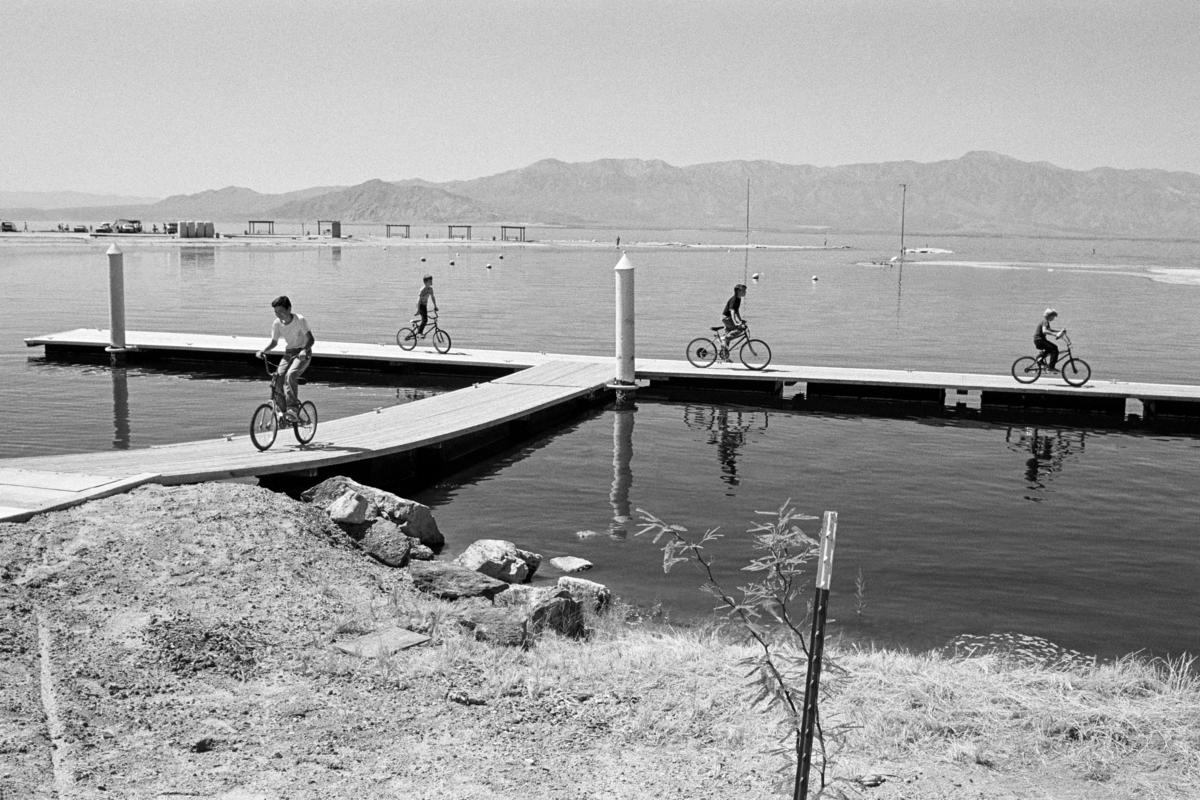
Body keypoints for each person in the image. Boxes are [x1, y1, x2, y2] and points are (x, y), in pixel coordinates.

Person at [256, 295, 314, 422]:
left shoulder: (300, 320)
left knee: (290, 374)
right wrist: (263, 350)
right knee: (277, 378)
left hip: (303, 353)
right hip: (289, 353)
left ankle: (292, 409)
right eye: (276, 312)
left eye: (281, 311)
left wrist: (304, 350)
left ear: (289, 309)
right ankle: (283, 413)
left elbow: (311, 339)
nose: (278, 314)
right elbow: (274, 342)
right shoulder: (277, 323)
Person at [719, 283, 747, 352]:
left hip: (728, 318)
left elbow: (736, 311)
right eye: (743, 290)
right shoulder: (734, 299)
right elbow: (732, 312)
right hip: (726, 318)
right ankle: (724, 338)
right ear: (738, 291)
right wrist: (735, 323)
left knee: (728, 338)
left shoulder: (739, 299)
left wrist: (740, 320)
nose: (745, 292)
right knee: (739, 329)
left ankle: (724, 356)